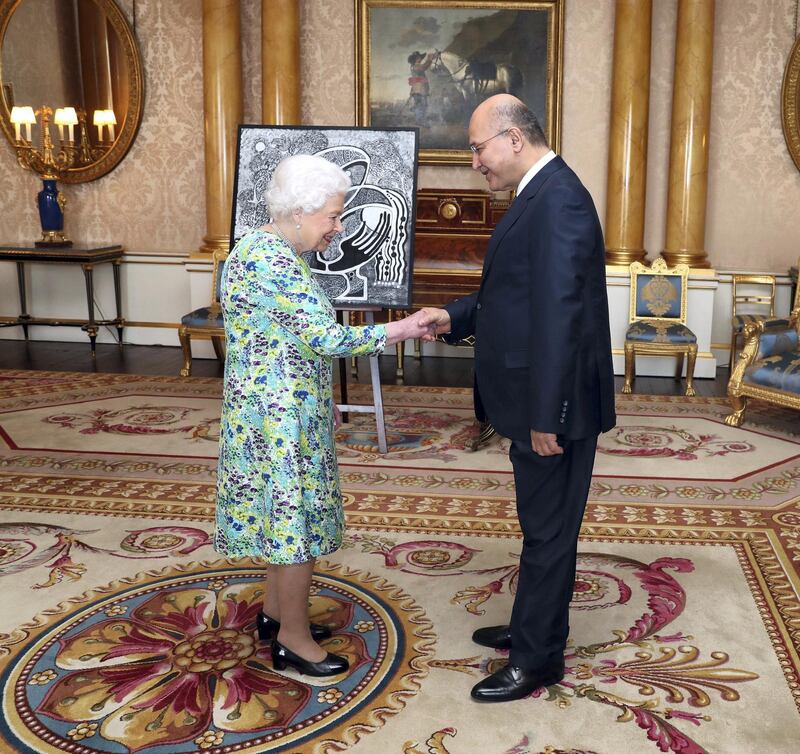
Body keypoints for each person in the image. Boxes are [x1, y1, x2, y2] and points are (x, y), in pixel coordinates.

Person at [417, 94, 616, 702]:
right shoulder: (539, 194)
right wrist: (450, 316)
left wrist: (545, 415)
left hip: (553, 406)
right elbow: (514, 298)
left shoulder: (559, 201)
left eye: (477, 148)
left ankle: (538, 659)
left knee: (550, 532)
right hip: (537, 396)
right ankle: (532, 624)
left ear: (512, 138)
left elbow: (561, 319)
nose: (474, 161)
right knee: (538, 525)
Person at [215, 154, 431, 678]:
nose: (338, 227)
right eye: (332, 216)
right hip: (278, 419)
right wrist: (400, 330)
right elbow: (325, 338)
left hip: (278, 407)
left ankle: (273, 613)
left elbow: (284, 339)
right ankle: (291, 639)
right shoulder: (271, 259)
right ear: (298, 211)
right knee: (296, 527)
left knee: (283, 517)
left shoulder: (270, 249)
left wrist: (319, 394)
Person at [407, 50, 435, 126]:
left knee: (421, 105)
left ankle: (420, 120)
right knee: (422, 105)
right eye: (419, 58)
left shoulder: (415, 66)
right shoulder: (416, 66)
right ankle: (421, 121)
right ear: (416, 59)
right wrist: (429, 59)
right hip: (420, 91)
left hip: (418, 90)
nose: (420, 59)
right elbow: (424, 67)